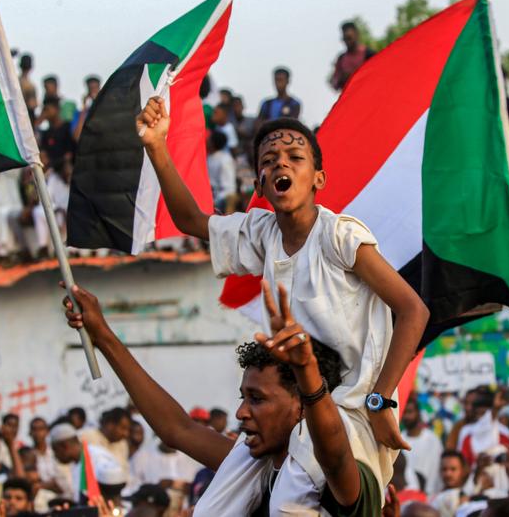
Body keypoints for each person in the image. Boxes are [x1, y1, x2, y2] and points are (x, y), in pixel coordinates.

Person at [135, 98, 429, 498]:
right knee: (218, 502)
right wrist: (156, 145)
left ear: (318, 179)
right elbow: (189, 219)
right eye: (269, 160)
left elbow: (413, 309)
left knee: (293, 500)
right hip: (292, 413)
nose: (281, 165)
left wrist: (380, 401)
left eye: (295, 157)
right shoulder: (263, 233)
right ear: (259, 184)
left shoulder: (340, 236)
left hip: (351, 414)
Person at [62, 282, 385, 514]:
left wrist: (307, 372)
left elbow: (334, 454)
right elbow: (178, 429)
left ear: (301, 406)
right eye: (243, 397)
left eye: (257, 399)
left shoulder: (337, 480)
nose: (241, 412)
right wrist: (102, 335)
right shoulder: (251, 465)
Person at [49, 423, 123, 501]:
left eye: (55, 450)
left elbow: (111, 494)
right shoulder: (76, 463)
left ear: (64, 446)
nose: (55, 456)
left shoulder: (98, 458)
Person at [402, 397, 443, 495]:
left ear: (418, 413)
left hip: (431, 495)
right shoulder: (399, 440)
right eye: (404, 412)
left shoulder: (433, 440)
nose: (406, 416)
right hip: (408, 495)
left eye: (410, 412)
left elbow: (437, 468)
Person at [79, 407, 132, 484]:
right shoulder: (86, 436)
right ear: (110, 424)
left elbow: (124, 471)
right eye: (123, 428)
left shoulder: (122, 444)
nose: (126, 434)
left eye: (128, 430)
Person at [330, 21, 376, 91]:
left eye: (349, 38)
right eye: (345, 39)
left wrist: (356, 75)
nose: (347, 42)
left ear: (357, 35)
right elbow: (334, 82)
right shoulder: (341, 59)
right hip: (350, 96)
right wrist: (342, 78)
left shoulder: (369, 55)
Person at [430, 451, 469, 517]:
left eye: (453, 469)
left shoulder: (468, 500)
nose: (448, 474)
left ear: (462, 471)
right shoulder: (432, 498)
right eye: (444, 469)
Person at [206, 130, 236, 214]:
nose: (206, 140)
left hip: (219, 200)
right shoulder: (208, 157)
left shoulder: (225, 159)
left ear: (212, 143)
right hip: (210, 197)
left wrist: (214, 201)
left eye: (209, 139)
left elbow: (229, 189)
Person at [19, 54, 37, 125]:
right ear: (31, 67)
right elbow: (32, 105)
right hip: (26, 119)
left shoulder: (14, 82)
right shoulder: (30, 86)